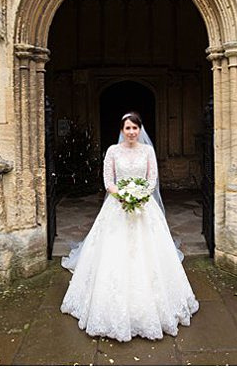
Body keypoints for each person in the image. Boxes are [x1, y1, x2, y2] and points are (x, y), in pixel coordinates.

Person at [60, 111, 199, 342]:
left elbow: (152, 179)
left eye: (135, 128)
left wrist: (140, 195)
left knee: (150, 255)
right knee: (112, 255)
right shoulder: (113, 151)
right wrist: (124, 195)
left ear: (140, 130)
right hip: (118, 207)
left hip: (144, 207)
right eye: (128, 128)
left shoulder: (148, 151)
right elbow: (108, 181)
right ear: (122, 130)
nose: (132, 132)